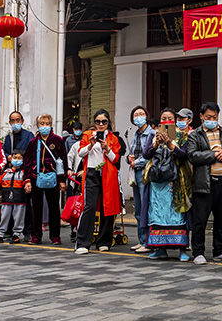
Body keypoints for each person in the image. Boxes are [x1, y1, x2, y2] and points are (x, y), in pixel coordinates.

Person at [186, 102, 222, 265]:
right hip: (204, 183)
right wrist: (214, 155)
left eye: (215, 117)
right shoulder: (195, 135)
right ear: (201, 116)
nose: (211, 120)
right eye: (208, 117)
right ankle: (198, 252)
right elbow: (192, 155)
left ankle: (220, 251)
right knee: (200, 220)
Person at [144, 109, 192, 261]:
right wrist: (155, 144)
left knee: (177, 215)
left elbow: (184, 155)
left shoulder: (183, 135)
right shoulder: (153, 134)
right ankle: (159, 249)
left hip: (175, 181)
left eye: (170, 118)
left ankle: (182, 249)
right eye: (164, 118)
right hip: (157, 183)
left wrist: (170, 144)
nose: (167, 121)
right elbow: (146, 155)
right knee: (157, 213)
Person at [74, 109, 124, 254]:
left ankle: (104, 241)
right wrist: (90, 145)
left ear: (108, 123)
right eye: (98, 122)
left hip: (108, 174)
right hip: (91, 173)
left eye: (104, 122)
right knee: (89, 207)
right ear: (94, 123)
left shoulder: (113, 138)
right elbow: (80, 153)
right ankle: (83, 242)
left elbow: (115, 159)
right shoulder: (88, 135)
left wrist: (107, 148)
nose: (101, 124)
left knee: (107, 208)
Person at [27, 114, 67, 245]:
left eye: (47, 124)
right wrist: (27, 180)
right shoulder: (33, 142)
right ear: (37, 126)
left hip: (53, 178)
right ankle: (36, 236)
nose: (45, 126)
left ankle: (55, 236)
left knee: (54, 208)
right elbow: (27, 162)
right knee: (36, 208)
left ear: (51, 125)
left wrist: (62, 180)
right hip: (36, 177)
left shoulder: (58, 141)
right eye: (42, 124)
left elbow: (63, 161)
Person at [126, 106, 155, 253]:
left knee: (145, 207)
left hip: (145, 172)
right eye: (136, 115)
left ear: (146, 116)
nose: (139, 117)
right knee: (137, 208)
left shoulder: (151, 133)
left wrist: (136, 162)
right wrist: (129, 159)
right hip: (135, 172)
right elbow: (132, 153)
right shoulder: (135, 134)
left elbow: (150, 155)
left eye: (141, 114)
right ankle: (141, 239)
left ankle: (148, 241)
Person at [0, 151, 28, 243]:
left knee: (19, 217)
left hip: (20, 199)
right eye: (15, 158)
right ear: (11, 159)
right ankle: (0, 235)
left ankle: (16, 234)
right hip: (6, 198)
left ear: (23, 160)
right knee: (4, 216)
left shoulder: (24, 173)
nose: (17, 160)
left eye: (19, 158)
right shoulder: (5, 172)